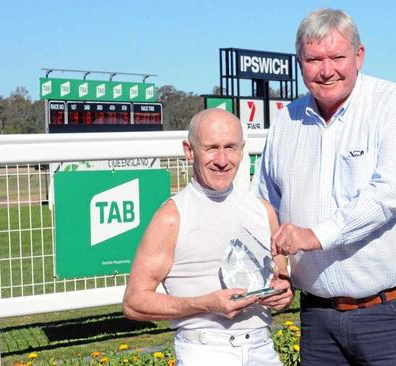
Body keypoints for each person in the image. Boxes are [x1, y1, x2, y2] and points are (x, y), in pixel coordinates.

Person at [253, 8, 396, 365]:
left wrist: (314, 235)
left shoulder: (394, 104)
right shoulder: (287, 121)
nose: (326, 69)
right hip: (318, 318)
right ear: (300, 61)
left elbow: (388, 195)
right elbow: (265, 204)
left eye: (337, 57)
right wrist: (278, 269)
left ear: (359, 56)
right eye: (314, 59)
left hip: (391, 314)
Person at [123, 108, 293, 366]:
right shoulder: (171, 217)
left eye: (231, 147)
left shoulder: (263, 210)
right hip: (205, 350)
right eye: (211, 148)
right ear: (189, 151)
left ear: (242, 149)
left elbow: (280, 281)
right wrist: (205, 304)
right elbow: (134, 302)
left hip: (262, 348)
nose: (223, 159)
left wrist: (282, 294)